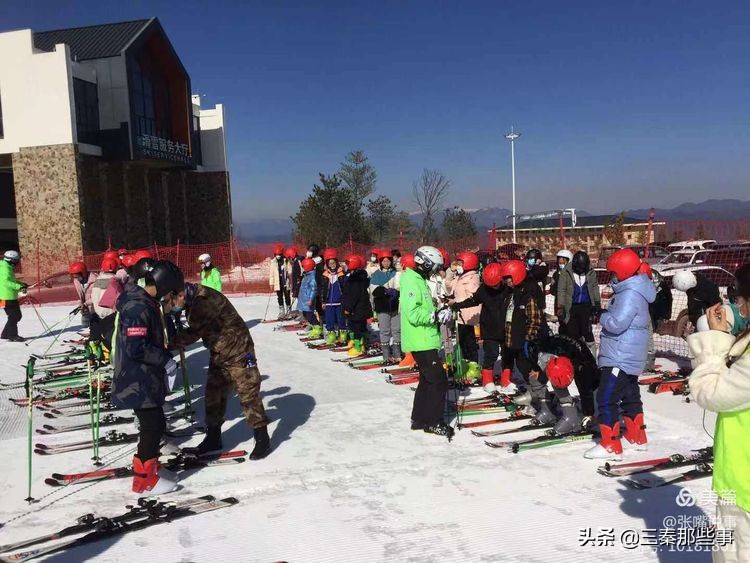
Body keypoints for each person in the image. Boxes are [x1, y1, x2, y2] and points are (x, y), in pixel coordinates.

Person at [167, 266, 272, 461]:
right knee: (213, 395)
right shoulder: (191, 300)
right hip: (220, 352)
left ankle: (262, 437)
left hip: (239, 350)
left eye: (172, 301)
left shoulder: (203, 301)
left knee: (248, 393)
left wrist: (168, 345)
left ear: (181, 294)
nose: (172, 305)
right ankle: (213, 438)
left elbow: (194, 333)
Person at [110, 260, 181, 494]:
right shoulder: (138, 307)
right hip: (136, 378)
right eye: (169, 291)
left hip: (143, 376)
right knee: (153, 425)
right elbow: (136, 348)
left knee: (155, 422)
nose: (170, 297)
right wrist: (165, 360)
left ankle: (151, 468)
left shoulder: (144, 302)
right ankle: (144, 479)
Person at [688, 298, 750, 562]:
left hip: (743, 480)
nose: (742, 309)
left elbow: (710, 392)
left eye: (744, 301)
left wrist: (713, 341)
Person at [584, 248, 655, 460]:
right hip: (628, 352)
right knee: (630, 394)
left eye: (613, 272)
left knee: (606, 397)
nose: (612, 277)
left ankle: (610, 444)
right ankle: (636, 436)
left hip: (620, 354)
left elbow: (617, 323)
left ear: (622, 272)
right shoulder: (635, 289)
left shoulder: (630, 293)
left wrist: (601, 316)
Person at [401, 246, 454, 438]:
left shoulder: (419, 280)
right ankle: (433, 421)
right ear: (426, 263)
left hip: (426, 339)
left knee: (427, 380)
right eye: (434, 266)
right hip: (420, 340)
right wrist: (435, 316)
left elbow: (423, 307)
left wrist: (440, 309)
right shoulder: (411, 281)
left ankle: (420, 418)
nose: (435, 270)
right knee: (438, 381)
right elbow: (413, 313)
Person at [516, 333, 599, 433]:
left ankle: (571, 416)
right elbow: (532, 348)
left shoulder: (581, 359)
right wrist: (535, 367)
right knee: (535, 378)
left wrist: (589, 413)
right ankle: (547, 410)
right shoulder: (535, 351)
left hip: (578, 359)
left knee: (584, 382)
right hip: (554, 356)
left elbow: (587, 388)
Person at [450, 262, 509, 393]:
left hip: (506, 328)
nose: (493, 288)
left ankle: (506, 379)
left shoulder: (508, 290)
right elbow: (473, 301)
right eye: (491, 285)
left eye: (496, 285)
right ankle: (487, 380)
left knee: (508, 354)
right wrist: (458, 305)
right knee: (491, 354)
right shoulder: (483, 289)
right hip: (489, 328)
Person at [500, 259, 545, 402]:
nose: (507, 281)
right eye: (505, 279)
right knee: (521, 367)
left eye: (509, 278)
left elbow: (534, 318)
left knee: (528, 368)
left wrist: (529, 338)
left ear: (517, 275)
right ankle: (533, 392)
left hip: (524, 340)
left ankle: (543, 396)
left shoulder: (527, 295)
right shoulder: (511, 294)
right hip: (512, 339)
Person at [557, 250, 601, 358]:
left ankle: (592, 357)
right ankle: (576, 357)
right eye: (580, 268)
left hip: (586, 306)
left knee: (587, 332)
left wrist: (597, 303)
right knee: (573, 334)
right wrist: (561, 306)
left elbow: (594, 287)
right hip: (572, 306)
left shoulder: (590, 271)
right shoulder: (566, 271)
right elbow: (561, 289)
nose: (581, 270)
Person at [445, 251, 481, 365]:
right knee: (462, 342)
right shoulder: (460, 277)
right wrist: (451, 271)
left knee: (469, 342)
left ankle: (473, 364)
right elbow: (448, 285)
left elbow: (472, 298)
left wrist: (455, 302)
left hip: (469, 316)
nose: (458, 266)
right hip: (460, 314)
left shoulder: (472, 279)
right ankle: (465, 363)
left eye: (460, 263)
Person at [370, 249, 401, 362]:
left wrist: (396, 292)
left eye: (388, 261)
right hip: (382, 306)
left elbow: (399, 286)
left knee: (397, 329)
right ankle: (386, 354)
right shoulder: (376, 274)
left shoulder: (396, 273)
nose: (386, 263)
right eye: (384, 261)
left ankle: (397, 352)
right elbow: (373, 290)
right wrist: (385, 291)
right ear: (380, 262)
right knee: (385, 330)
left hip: (395, 306)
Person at [342, 254, 373, 358]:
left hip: (356, 308)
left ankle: (358, 347)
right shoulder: (361, 275)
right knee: (361, 326)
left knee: (355, 327)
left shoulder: (354, 278)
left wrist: (348, 308)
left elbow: (353, 295)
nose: (346, 265)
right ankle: (363, 344)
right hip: (362, 307)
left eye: (348, 263)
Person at [320, 248, 347, 345]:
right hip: (329, 303)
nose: (332, 265)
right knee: (329, 320)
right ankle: (331, 335)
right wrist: (323, 301)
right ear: (327, 264)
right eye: (330, 263)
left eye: (333, 263)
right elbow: (323, 289)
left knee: (341, 319)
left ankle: (343, 334)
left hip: (339, 302)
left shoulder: (341, 274)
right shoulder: (325, 275)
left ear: (336, 263)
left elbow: (345, 288)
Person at [0, 250, 27, 342]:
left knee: (15, 316)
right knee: (14, 316)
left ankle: (5, 334)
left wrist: (21, 284)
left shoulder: (6, 266)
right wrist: (19, 286)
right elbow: (6, 282)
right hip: (6, 297)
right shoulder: (5, 268)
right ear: (11, 260)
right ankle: (12, 335)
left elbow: (11, 280)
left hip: (8, 296)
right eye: (16, 261)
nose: (17, 263)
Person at [297, 258, 321, 339]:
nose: (303, 268)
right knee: (305, 314)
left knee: (310, 315)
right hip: (304, 299)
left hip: (308, 300)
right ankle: (314, 327)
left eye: (304, 266)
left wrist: (311, 299)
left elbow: (314, 288)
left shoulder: (312, 276)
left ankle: (317, 328)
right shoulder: (306, 275)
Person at [549, 249, 573, 332]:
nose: (561, 264)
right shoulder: (556, 274)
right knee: (562, 326)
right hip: (559, 304)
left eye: (563, 262)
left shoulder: (572, 274)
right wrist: (554, 284)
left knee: (570, 326)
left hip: (569, 305)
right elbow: (552, 291)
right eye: (560, 262)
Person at [69, 261, 97, 328]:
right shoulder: (76, 281)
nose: (76, 278)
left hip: (95, 308)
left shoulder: (95, 280)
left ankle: (95, 334)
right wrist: (81, 304)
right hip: (86, 308)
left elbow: (96, 296)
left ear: (83, 273)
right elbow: (80, 294)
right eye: (74, 277)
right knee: (84, 325)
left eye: (77, 276)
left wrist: (86, 303)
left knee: (95, 324)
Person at [269, 243, 292, 319]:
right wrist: (271, 283)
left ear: (282, 254)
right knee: (279, 297)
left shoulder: (286, 261)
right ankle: (281, 311)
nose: (278, 255)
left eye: (279, 254)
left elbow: (290, 269)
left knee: (287, 296)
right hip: (277, 282)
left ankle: (289, 310)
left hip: (285, 282)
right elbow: (271, 274)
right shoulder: (273, 262)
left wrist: (289, 273)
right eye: (276, 254)